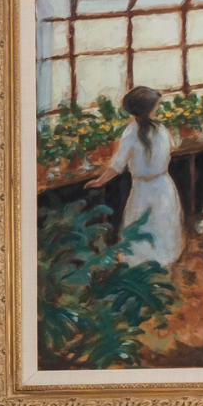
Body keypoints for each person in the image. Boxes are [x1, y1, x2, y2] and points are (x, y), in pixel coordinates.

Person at [85, 84, 181, 268]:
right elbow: (170, 151)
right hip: (161, 183)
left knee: (144, 223)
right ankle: (162, 262)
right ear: (151, 108)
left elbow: (117, 165)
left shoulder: (132, 131)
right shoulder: (160, 129)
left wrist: (100, 181)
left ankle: (144, 263)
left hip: (144, 186)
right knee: (160, 223)